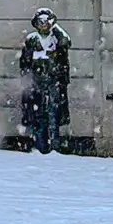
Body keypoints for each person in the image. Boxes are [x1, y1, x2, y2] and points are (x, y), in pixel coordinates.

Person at [19, 8, 73, 154]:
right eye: (40, 22)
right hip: (37, 81)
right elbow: (25, 61)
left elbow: (66, 42)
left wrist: (55, 27)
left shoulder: (56, 37)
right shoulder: (32, 38)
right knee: (38, 114)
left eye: (46, 22)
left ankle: (55, 145)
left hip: (54, 80)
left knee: (54, 114)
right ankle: (40, 145)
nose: (43, 25)